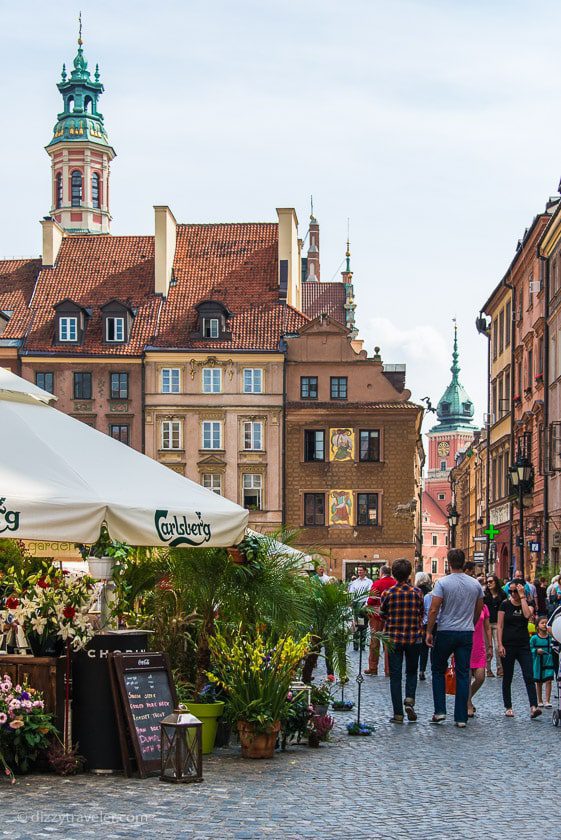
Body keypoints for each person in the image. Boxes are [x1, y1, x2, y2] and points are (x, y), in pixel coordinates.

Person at [426, 548, 484, 727]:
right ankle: (460, 717)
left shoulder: (442, 583)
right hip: (466, 632)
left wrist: (429, 631)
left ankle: (440, 711)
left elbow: (434, 608)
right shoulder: (475, 584)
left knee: (437, 670)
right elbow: (479, 608)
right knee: (463, 673)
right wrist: (471, 623)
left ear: (449, 563)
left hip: (445, 631)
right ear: (463, 561)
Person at [379, 558, 424, 723]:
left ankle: (398, 714)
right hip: (414, 638)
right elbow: (421, 612)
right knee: (412, 671)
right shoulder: (417, 592)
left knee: (395, 675)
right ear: (409, 573)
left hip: (393, 638)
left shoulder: (388, 593)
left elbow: (382, 613)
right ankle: (410, 699)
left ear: (394, 574)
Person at [497, 581, 541, 719]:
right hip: (508, 644)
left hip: (523, 645)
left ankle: (533, 706)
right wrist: (500, 645)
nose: (513, 594)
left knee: (528, 675)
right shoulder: (505, 604)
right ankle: (508, 707)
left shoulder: (527, 604)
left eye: (515, 591)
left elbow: (528, 616)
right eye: (510, 592)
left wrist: (522, 598)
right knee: (508, 677)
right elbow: (500, 626)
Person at [365, 565, 396, 675]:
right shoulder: (395, 583)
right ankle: (389, 669)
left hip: (377, 617)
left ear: (381, 573)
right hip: (391, 618)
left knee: (374, 642)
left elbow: (370, 601)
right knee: (388, 643)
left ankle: (373, 668)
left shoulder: (377, 583)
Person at [467, 602, 492, 717]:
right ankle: (468, 704)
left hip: (479, 647)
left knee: (480, 677)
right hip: (465, 644)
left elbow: (487, 628)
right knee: (466, 679)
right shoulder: (464, 604)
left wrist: (490, 646)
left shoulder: (484, 607)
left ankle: (467, 697)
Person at [484, 574, 506, 677]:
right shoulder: (484, 596)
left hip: (498, 624)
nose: (489, 584)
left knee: (498, 647)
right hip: (486, 624)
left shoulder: (503, 595)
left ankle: (500, 668)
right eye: (487, 582)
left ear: (496, 582)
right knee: (487, 647)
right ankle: (488, 669)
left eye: (491, 581)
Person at [530, 616, 555, 707]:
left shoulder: (550, 638)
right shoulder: (534, 638)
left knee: (549, 680)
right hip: (537, 662)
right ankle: (539, 700)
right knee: (539, 681)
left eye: (546, 623)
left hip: (548, 661)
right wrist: (536, 651)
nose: (544, 625)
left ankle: (547, 700)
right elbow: (530, 649)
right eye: (542, 623)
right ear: (537, 626)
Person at [348, 565, 372, 651]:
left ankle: (362, 645)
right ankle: (355, 645)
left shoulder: (369, 582)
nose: (359, 572)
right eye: (358, 571)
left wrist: (366, 604)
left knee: (364, 625)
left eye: (361, 570)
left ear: (365, 571)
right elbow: (351, 592)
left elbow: (370, 593)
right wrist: (350, 602)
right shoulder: (354, 582)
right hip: (356, 604)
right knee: (356, 624)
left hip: (364, 604)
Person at [414, 572, 433, 681]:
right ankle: (435, 668)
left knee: (423, 648)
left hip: (423, 622)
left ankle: (422, 669)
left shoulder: (417, 591)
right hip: (434, 622)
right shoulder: (432, 590)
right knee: (434, 647)